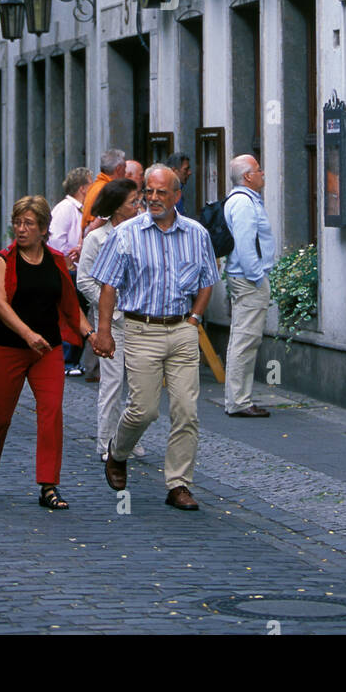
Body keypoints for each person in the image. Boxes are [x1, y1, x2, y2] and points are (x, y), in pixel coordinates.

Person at [92, 164, 218, 511]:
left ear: (178, 195)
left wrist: (194, 319)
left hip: (181, 329)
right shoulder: (126, 233)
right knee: (144, 410)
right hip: (141, 329)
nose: (154, 198)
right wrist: (103, 331)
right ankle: (118, 452)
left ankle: (179, 484)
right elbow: (108, 285)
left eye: (162, 192)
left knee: (186, 411)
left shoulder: (196, 234)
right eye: (149, 191)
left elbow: (208, 279)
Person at [0, 196, 98, 509]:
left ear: (44, 229)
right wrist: (28, 335)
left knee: (51, 413)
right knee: (0, 414)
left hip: (48, 350)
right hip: (7, 348)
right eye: (18, 222)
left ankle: (48, 485)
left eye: (29, 223)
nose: (21, 229)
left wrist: (91, 335)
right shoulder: (3, 259)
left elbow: (70, 306)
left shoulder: (56, 261)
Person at [76, 178, 146, 458]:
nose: (139, 205)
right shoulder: (96, 238)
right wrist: (110, 307)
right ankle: (106, 441)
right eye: (133, 202)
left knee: (140, 385)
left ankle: (129, 439)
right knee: (112, 383)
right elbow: (84, 281)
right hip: (112, 322)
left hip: (140, 318)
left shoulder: (143, 233)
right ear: (118, 208)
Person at [223, 156, 277, 417]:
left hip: (243, 278)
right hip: (248, 280)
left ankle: (238, 399)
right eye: (258, 170)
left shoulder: (241, 200)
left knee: (242, 339)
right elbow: (245, 246)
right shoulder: (244, 203)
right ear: (247, 176)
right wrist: (257, 276)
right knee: (245, 341)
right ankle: (239, 401)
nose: (262, 173)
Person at [49, 167, 93, 373]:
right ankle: (66, 360)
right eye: (91, 184)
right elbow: (56, 241)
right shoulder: (66, 209)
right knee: (71, 315)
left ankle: (72, 359)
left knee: (79, 312)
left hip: (76, 269)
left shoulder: (81, 209)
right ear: (83, 188)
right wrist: (69, 261)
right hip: (69, 270)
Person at [81, 148, 126, 231]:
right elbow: (95, 225)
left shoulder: (95, 186)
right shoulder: (108, 190)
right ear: (118, 169)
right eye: (125, 168)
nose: (126, 172)